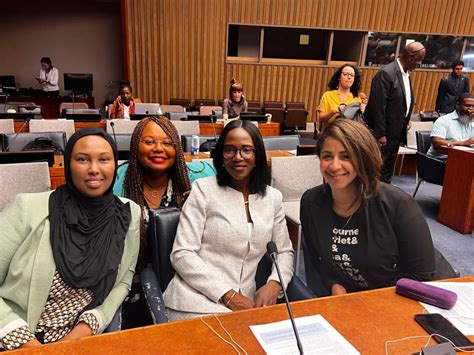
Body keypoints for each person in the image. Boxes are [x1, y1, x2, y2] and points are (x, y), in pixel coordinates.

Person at [0, 128, 140, 350]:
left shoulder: (128, 213)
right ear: (67, 164)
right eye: (82, 159)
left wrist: (83, 331)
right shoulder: (27, 208)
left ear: (115, 165)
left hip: (81, 341)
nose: (94, 169)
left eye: (104, 159)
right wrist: (28, 344)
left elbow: (123, 282)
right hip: (16, 338)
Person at [163, 119, 294, 320]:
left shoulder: (273, 198)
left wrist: (275, 283)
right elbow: (182, 253)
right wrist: (228, 295)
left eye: (246, 150)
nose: (238, 157)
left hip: (247, 305)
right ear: (221, 156)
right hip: (194, 300)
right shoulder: (203, 190)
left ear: (257, 155)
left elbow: (284, 251)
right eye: (229, 150)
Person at [301, 119, 435, 297]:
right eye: (327, 156)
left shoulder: (398, 204)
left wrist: (371, 305)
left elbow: (421, 276)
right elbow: (316, 260)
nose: (334, 166)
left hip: (404, 300)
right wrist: (333, 284)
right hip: (352, 301)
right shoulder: (311, 202)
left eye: (346, 156)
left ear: (363, 158)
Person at [113, 116, 215, 328]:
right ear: (135, 146)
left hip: (184, 278)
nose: (159, 149)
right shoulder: (118, 179)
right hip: (130, 277)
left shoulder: (197, 179)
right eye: (149, 142)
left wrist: (198, 208)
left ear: (177, 148)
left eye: (167, 143)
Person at [365, 41, 426, 183]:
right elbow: (378, 106)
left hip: (396, 131)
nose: (420, 63)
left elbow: (402, 101)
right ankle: (372, 200)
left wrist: (406, 119)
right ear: (410, 57)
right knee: (377, 169)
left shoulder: (406, 74)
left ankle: (383, 197)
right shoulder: (386, 73)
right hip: (384, 133)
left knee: (387, 169)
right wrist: (381, 134)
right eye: (419, 60)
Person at [427, 93, 474, 160]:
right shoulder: (444, 120)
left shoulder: (472, 121)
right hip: (440, 160)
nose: (471, 109)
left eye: (473, 106)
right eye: (467, 106)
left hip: (464, 159)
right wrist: (464, 143)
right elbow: (437, 143)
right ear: (457, 105)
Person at [317, 64, 362, 132]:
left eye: (352, 75)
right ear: (339, 77)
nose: (349, 77)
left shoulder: (357, 98)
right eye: (345, 74)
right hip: (330, 133)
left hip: (349, 135)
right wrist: (333, 112)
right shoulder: (328, 95)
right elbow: (320, 118)